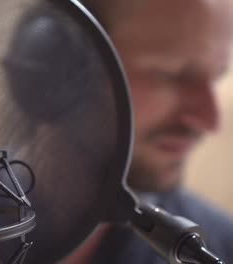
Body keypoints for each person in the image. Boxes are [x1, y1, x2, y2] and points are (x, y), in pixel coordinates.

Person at [64, 0, 233, 263]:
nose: (209, 121)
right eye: (172, 74)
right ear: (53, 65)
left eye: (216, 77)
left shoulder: (222, 246)